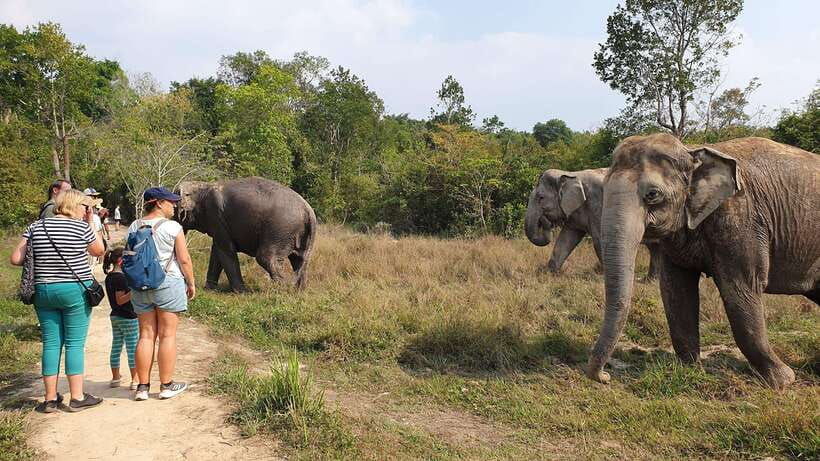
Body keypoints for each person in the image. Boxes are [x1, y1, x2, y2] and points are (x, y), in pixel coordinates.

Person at [10, 189, 105, 412]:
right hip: (74, 290)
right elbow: (99, 250)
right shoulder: (81, 226)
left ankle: (50, 399)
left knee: (51, 344)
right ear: (76, 206)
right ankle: (77, 397)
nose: (87, 211)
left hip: (43, 291)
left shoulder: (36, 226)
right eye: (86, 207)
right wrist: (91, 222)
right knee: (74, 344)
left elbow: (16, 258)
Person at [128, 187, 196, 401]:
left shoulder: (134, 225)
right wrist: (191, 282)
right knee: (168, 335)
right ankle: (166, 385)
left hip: (140, 285)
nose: (174, 206)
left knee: (146, 335)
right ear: (158, 203)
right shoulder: (173, 227)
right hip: (168, 281)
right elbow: (184, 259)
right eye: (170, 202)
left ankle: (142, 387)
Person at [103, 247, 139, 391]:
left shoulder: (110, 276)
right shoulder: (120, 278)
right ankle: (135, 380)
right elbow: (120, 299)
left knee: (116, 346)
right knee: (132, 349)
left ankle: (115, 378)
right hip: (128, 317)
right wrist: (134, 291)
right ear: (120, 260)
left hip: (115, 316)